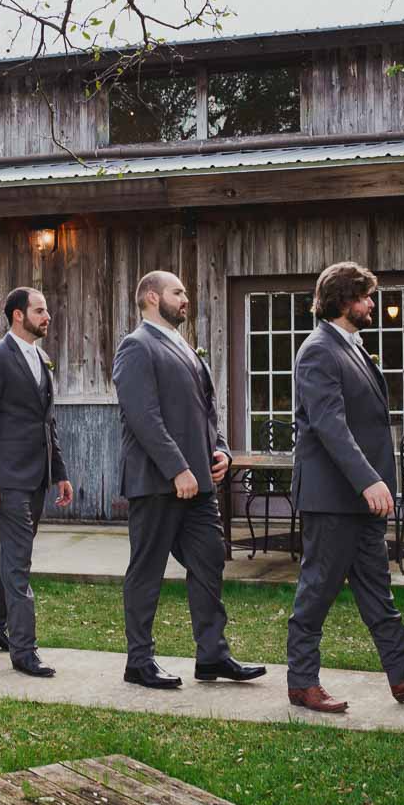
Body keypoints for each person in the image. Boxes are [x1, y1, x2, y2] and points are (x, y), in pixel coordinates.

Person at [112, 270, 265, 689]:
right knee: (147, 568)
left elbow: (207, 412)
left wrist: (221, 450)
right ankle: (138, 661)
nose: (185, 298)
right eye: (177, 291)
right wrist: (177, 468)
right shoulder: (136, 347)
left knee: (210, 558)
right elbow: (143, 416)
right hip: (158, 482)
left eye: (185, 291)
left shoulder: (185, 347)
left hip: (198, 483)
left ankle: (212, 655)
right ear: (149, 297)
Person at [285, 262, 404, 713]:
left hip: (362, 501)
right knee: (317, 590)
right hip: (332, 499)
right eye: (365, 297)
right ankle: (302, 683)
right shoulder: (318, 350)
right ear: (345, 300)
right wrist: (368, 479)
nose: (371, 305)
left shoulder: (354, 348)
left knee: (376, 590)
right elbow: (330, 425)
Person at [0, 288, 74, 678]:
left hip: (38, 475)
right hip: (8, 478)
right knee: (19, 561)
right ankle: (24, 650)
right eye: (40, 310)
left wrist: (60, 473)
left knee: (14, 553)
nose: (47, 316)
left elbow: (48, 421)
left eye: (47, 310)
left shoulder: (41, 358)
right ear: (18, 315)